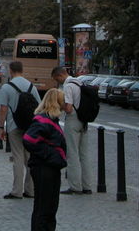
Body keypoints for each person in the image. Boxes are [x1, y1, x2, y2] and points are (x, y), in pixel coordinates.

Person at [23, 89, 67, 231]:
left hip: (50, 167)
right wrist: (51, 154)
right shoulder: (44, 120)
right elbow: (29, 140)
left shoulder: (50, 119)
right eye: (63, 101)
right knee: (43, 208)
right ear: (57, 103)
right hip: (44, 167)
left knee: (50, 208)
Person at [0, 60, 40, 199]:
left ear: (11, 70)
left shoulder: (7, 87)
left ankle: (17, 191)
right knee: (29, 158)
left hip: (13, 125)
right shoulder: (31, 86)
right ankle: (31, 189)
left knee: (17, 158)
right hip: (30, 126)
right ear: (22, 70)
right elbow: (39, 107)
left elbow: (3, 109)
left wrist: (1, 127)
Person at [51, 66, 92, 194]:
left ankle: (75, 186)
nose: (58, 82)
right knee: (84, 155)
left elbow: (68, 108)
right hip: (84, 120)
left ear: (60, 76)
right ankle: (87, 186)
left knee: (72, 154)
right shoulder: (79, 82)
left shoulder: (68, 86)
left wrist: (59, 106)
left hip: (73, 120)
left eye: (57, 79)